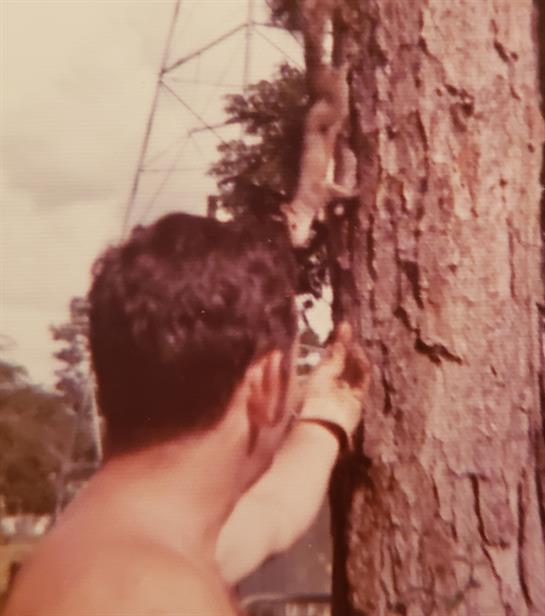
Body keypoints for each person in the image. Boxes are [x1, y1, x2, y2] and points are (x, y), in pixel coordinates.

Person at [5, 213, 370, 615]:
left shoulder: (117, 537)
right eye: (292, 367)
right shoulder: (161, 595)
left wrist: (325, 418)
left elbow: (271, 513)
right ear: (265, 383)